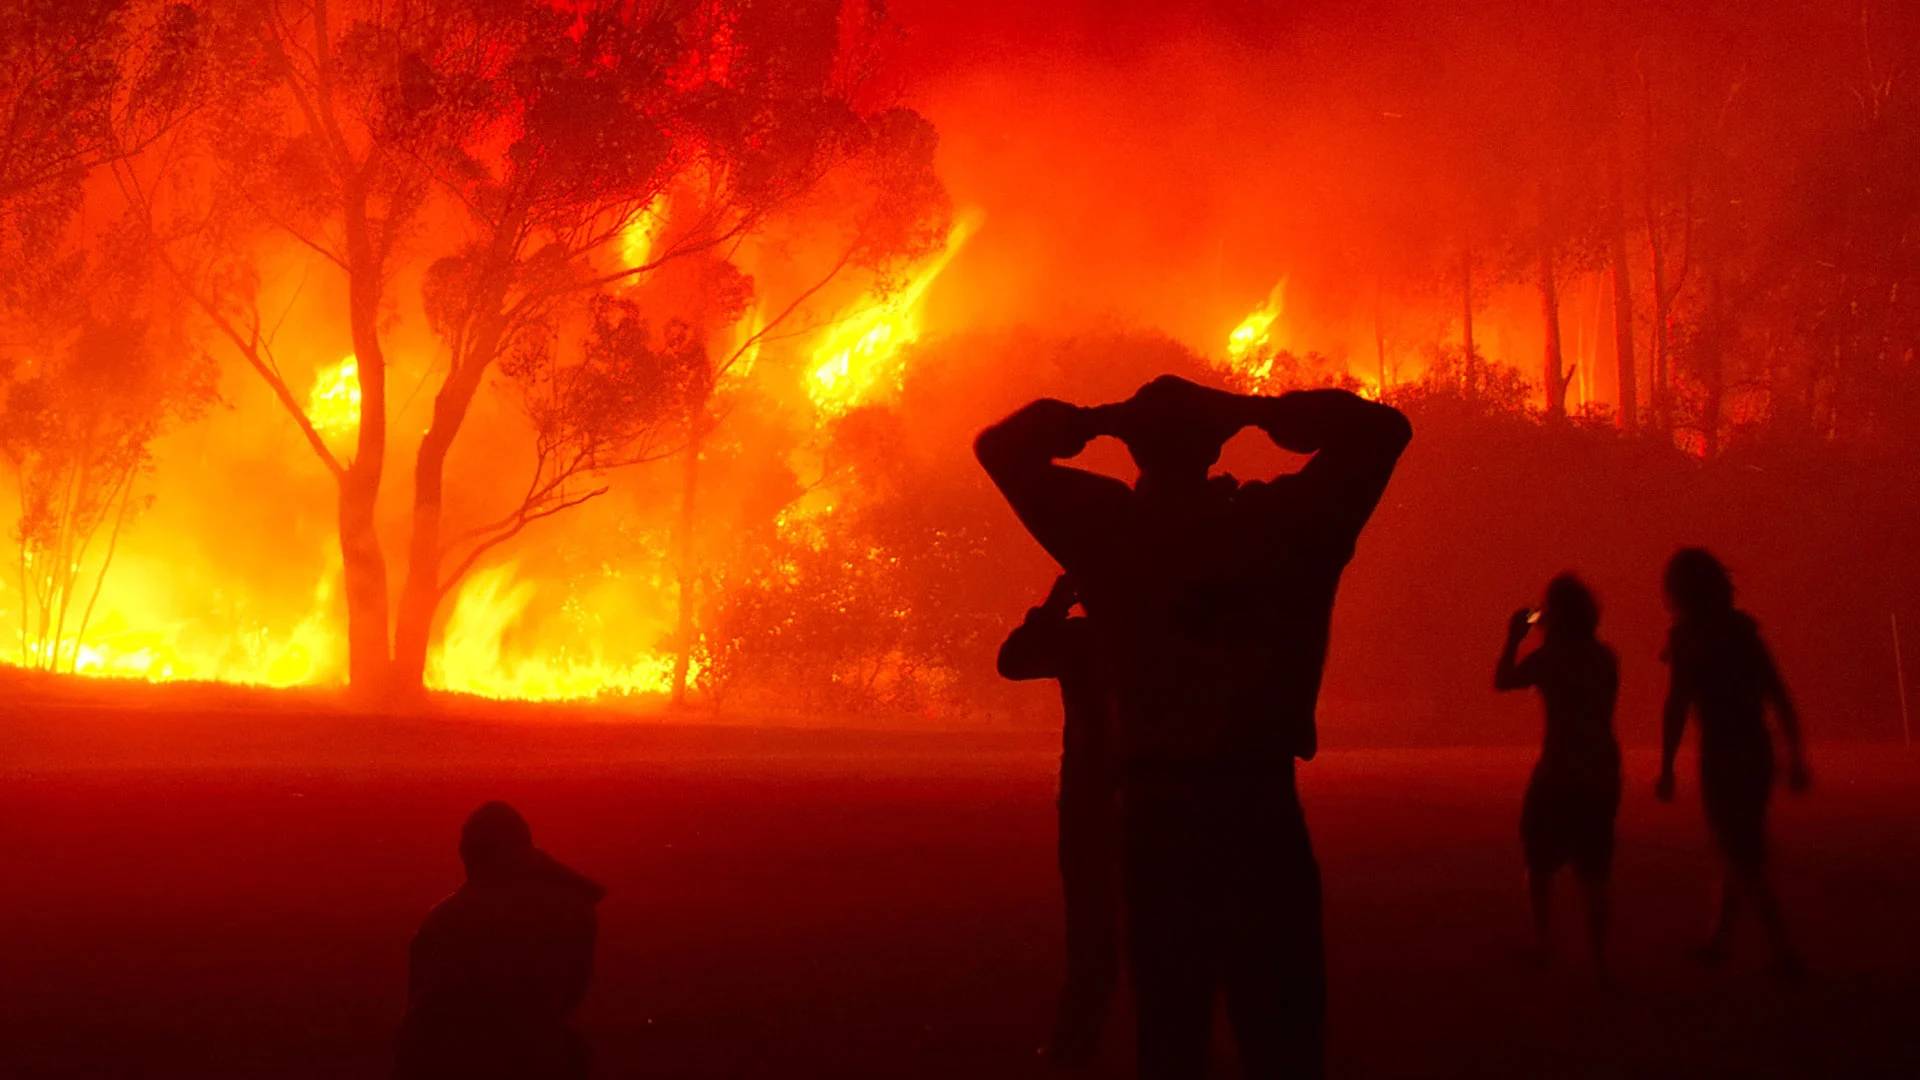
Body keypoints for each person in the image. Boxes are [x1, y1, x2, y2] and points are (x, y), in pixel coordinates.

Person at [976, 375, 1411, 1080]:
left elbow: (1002, 449)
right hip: (1258, 803)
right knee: (1283, 1031)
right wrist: (1251, 411)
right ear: (1215, 442)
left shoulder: (1110, 533)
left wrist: (1100, 414)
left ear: (1137, 448)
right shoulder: (1287, 526)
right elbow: (1383, 431)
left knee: (1171, 1033)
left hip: (1158, 811)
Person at [1655, 548, 1811, 976]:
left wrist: (1667, 765)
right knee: (1738, 842)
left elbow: (1678, 704)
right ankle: (1719, 941)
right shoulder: (1743, 632)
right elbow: (1777, 693)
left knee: (1738, 849)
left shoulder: (1686, 637)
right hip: (1755, 748)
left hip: (1722, 752)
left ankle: (1782, 949)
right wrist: (1795, 753)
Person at [998, 573, 1119, 1067]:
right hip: (1162, 796)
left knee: (1091, 933)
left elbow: (1013, 662)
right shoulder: (1173, 629)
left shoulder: (1082, 641)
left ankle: (1076, 1047)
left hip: (1091, 798)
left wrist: (1052, 608)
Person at [395, 802, 606, 1080]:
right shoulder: (571, 907)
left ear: (470, 854)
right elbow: (571, 990)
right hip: (535, 1055)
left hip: (453, 1058)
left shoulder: (444, 920)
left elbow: (420, 1007)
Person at [1494, 574, 1621, 975]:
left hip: (1560, 766)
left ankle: (1544, 942)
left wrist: (1515, 636)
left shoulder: (1549, 658)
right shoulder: (1604, 657)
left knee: (1540, 857)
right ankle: (1599, 958)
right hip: (1602, 765)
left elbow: (1503, 681)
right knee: (1595, 865)